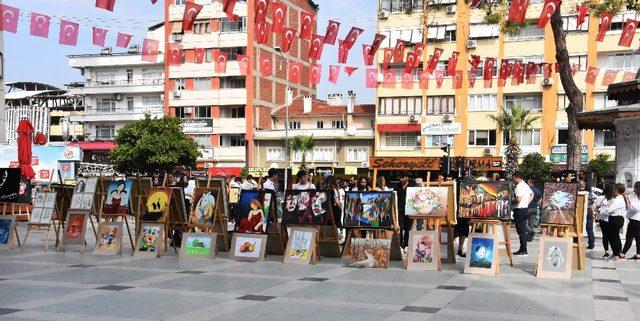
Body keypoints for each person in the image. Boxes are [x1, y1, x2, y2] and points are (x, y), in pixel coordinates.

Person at [602, 184, 627, 260]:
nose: (612, 191)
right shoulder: (620, 198)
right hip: (618, 219)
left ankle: (616, 255)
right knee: (616, 237)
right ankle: (618, 253)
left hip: (615, 219)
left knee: (613, 237)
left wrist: (605, 208)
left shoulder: (618, 199)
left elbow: (610, 210)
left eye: (613, 189)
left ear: (616, 190)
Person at [513, 172, 534, 256]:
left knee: (521, 231)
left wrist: (511, 202)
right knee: (522, 230)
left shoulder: (519, 186)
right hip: (524, 209)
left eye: (513, 178)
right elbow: (532, 194)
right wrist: (527, 203)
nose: (513, 180)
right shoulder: (525, 185)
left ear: (517, 177)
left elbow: (518, 199)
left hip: (519, 210)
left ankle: (523, 249)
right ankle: (522, 248)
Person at [595, 184, 614, 258]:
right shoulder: (614, 198)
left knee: (605, 235)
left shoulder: (601, 197)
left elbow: (597, 205)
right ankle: (614, 251)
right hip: (611, 218)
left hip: (603, 218)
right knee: (612, 235)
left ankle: (606, 251)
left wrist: (602, 207)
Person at [623, 181, 640, 260]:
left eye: (635, 188)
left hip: (635, 220)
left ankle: (623, 253)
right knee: (638, 237)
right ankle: (638, 254)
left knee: (629, 237)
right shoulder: (636, 196)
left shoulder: (635, 198)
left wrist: (628, 201)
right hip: (636, 220)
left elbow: (635, 208)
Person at [396, 174, 411, 248]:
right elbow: (398, 194)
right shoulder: (397, 186)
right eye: (400, 177)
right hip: (400, 209)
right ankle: (400, 244)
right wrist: (403, 187)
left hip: (409, 209)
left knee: (407, 228)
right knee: (401, 227)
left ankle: (406, 243)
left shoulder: (411, 186)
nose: (401, 179)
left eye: (403, 177)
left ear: (407, 178)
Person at [580, 181, 596, 249]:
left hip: (579, 212)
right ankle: (591, 244)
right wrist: (593, 214)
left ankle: (576, 242)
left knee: (577, 228)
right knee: (590, 229)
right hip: (588, 212)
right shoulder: (589, 194)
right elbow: (592, 205)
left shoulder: (577, 193)